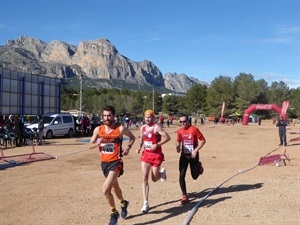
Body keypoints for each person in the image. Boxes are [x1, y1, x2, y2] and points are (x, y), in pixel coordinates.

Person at [89, 106, 135, 225]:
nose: (106, 118)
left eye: (109, 115)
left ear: (114, 116)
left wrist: (128, 148)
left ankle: (114, 212)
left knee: (105, 190)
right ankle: (124, 203)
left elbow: (132, 137)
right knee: (115, 188)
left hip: (116, 162)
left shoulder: (120, 129)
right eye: (104, 115)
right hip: (104, 164)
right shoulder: (98, 130)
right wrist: (97, 143)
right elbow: (90, 144)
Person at [136, 109, 171, 213]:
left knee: (154, 178)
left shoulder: (156, 127)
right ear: (144, 118)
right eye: (146, 117)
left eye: (149, 117)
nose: (147, 118)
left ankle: (161, 174)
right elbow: (142, 139)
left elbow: (167, 137)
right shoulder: (142, 128)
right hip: (146, 155)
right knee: (144, 178)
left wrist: (157, 144)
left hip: (156, 155)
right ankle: (145, 202)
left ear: (153, 118)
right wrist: (139, 147)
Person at [176, 114, 206, 204]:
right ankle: (184, 195)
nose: (182, 123)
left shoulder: (194, 129)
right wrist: (177, 147)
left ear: (188, 121)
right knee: (181, 175)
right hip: (184, 156)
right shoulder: (179, 131)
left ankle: (199, 166)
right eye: (180, 122)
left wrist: (196, 150)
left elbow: (203, 140)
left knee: (195, 176)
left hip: (193, 156)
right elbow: (178, 141)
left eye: (184, 121)